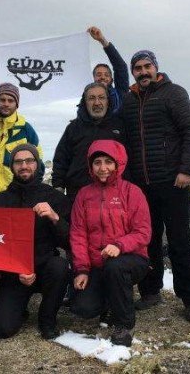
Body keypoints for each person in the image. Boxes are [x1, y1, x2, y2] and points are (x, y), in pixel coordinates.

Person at [121, 50, 190, 322]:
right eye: (138, 68)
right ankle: (150, 291)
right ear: (133, 71)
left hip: (173, 181)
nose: (143, 72)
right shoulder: (129, 100)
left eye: (147, 66)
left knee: (180, 240)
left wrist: (186, 169)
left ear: (156, 67)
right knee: (148, 240)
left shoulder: (174, 93)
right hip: (141, 186)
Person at [69, 140, 150, 347]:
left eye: (108, 162)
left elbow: (143, 232)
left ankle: (124, 324)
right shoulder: (84, 195)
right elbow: (78, 234)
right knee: (83, 309)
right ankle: (109, 300)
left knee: (115, 267)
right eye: (97, 162)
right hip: (97, 264)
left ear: (118, 164)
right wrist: (82, 270)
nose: (103, 168)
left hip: (131, 259)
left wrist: (120, 245)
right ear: (91, 166)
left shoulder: (132, 192)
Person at [0, 144, 71, 340]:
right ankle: (19, 308)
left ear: (37, 164)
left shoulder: (55, 198)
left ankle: (47, 318)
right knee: (1, 329)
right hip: (14, 273)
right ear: (12, 166)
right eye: (18, 161)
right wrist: (15, 270)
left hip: (45, 268)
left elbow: (70, 241)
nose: (24, 165)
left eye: (29, 160)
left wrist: (55, 218)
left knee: (60, 266)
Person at [52, 82, 124, 202]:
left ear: (108, 101)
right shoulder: (73, 128)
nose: (97, 103)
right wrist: (58, 186)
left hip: (114, 194)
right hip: (78, 193)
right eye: (91, 98)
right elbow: (61, 159)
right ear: (84, 102)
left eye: (101, 98)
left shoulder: (120, 126)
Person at [0, 83, 43, 200]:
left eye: (10, 101)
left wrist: (30, 192)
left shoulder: (26, 130)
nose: (6, 104)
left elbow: (38, 164)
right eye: (2, 100)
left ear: (17, 104)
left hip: (15, 196)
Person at [87, 26, 129, 114]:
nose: (102, 77)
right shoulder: (86, 99)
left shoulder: (120, 94)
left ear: (112, 79)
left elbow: (121, 67)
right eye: (98, 75)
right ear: (93, 79)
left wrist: (102, 40)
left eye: (106, 75)